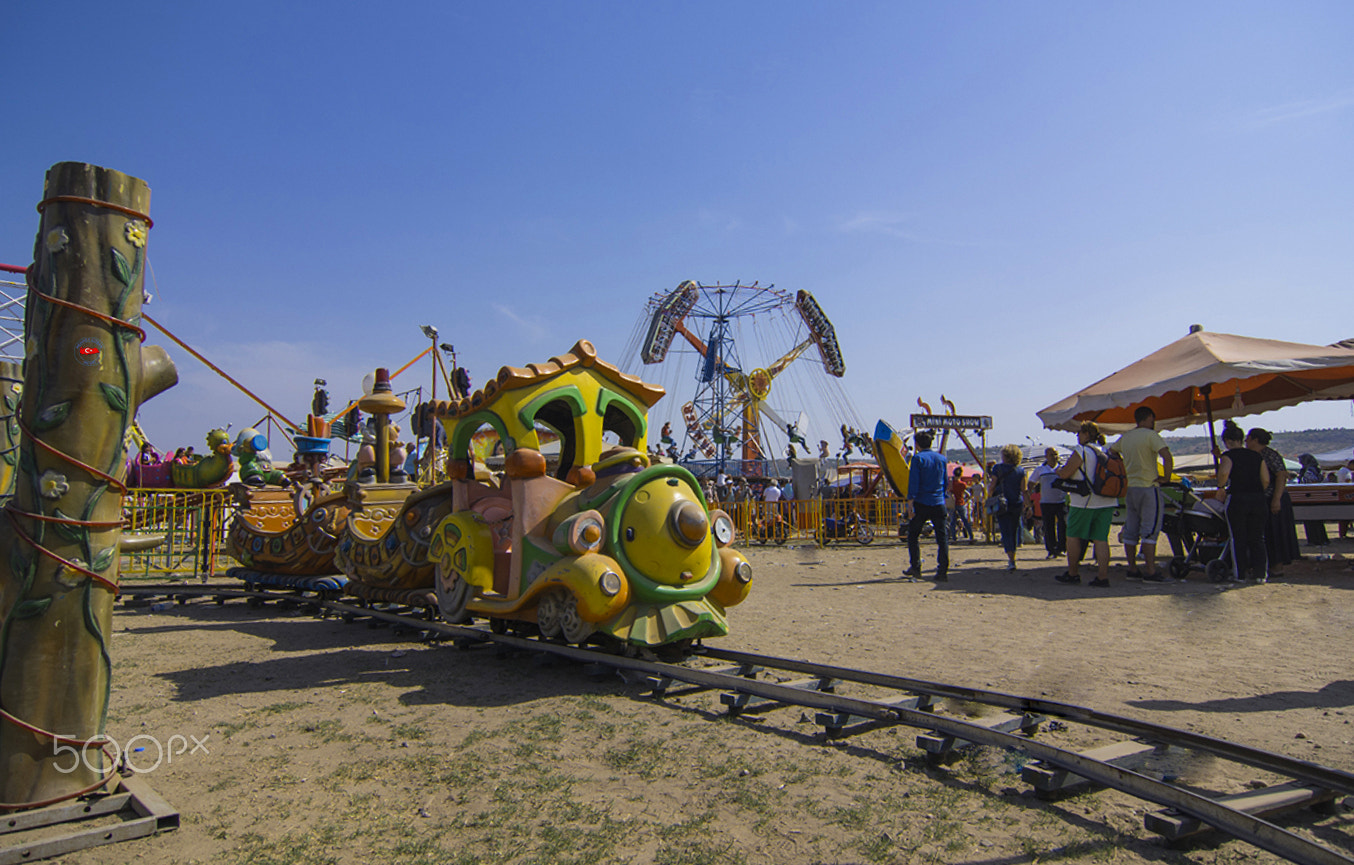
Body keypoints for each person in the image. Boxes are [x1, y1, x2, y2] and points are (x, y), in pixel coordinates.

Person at [1112, 406, 1173, 581]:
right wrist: (1166, 477)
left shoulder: (1126, 437)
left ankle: (1132, 568)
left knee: (1131, 528)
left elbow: (1112, 452)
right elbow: (1166, 456)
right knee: (1150, 529)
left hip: (1130, 487)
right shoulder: (1150, 435)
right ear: (1147, 419)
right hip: (1148, 485)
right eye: (1152, 420)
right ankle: (1151, 570)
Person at [1056, 421, 1117, 587]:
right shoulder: (1105, 451)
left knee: (1073, 536)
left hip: (1084, 501)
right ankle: (1103, 577)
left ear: (1086, 434)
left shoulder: (1081, 451)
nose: (1077, 436)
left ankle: (1073, 573)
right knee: (1101, 539)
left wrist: (1058, 471)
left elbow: (1066, 473)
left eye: (1079, 433)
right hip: (1107, 500)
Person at [1216, 421, 1271, 582]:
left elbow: (1224, 473)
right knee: (1258, 537)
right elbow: (1266, 480)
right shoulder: (1256, 456)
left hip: (1238, 498)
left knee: (1238, 538)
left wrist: (1221, 487)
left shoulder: (1228, 456)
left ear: (1227, 441)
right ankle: (1261, 574)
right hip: (1258, 498)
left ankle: (1239, 573)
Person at [1247, 428, 1299, 579]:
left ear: (1255, 440)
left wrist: (1276, 499)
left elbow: (1281, 476)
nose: (1246, 442)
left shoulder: (1269, 454)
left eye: (1248, 439)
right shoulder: (1255, 455)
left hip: (1275, 498)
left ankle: (1277, 566)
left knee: (1276, 532)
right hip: (1265, 499)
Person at [902, 430, 948, 581]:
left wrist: (910, 503)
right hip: (938, 501)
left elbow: (914, 482)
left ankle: (916, 567)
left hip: (922, 502)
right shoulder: (941, 459)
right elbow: (946, 482)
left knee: (913, 535)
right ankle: (942, 571)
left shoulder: (917, 459)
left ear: (917, 444)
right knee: (942, 538)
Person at [988, 444, 1026, 572]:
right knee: (1014, 529)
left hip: (1002, 502)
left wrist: (989, 498)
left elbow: (992, 485)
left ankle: (1011, 559)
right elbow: (1024, 489)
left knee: (1005, 530)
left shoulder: (997, 468)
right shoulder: (1020, 470)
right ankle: (1013, 555)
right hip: (1016, 502)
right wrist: (1028, 505)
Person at [1027, 448, 1066, 558]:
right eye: (1051, 454)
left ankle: (1061, 548)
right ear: (1046, 456)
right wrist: (1029, 493)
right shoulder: (1041, 469)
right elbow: (1031, 482)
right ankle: (1051, 549)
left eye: (1056, 454)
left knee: (1063, 525)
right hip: (1046, 502)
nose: (1054, 456)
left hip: (1061, 501)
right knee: (1049, 527)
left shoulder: (1063, 468)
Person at [1296, 453, 1330, 545]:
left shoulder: (1309, 471)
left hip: (1309, 497)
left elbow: (1312, 481)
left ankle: (1315, 540)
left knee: (1311, 520)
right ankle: (1321, 539)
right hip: (1315, 497)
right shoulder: (1315, 469)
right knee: (1317, 520)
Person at [948, 467, 974, 543]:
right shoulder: (963, 484)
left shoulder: (951, 484)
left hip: (952, 503)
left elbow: (949, 491)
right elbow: (967, 492)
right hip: (961, 502)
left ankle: (954, 538)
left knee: (952, 521)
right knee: (965, 520)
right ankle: (971, 536)